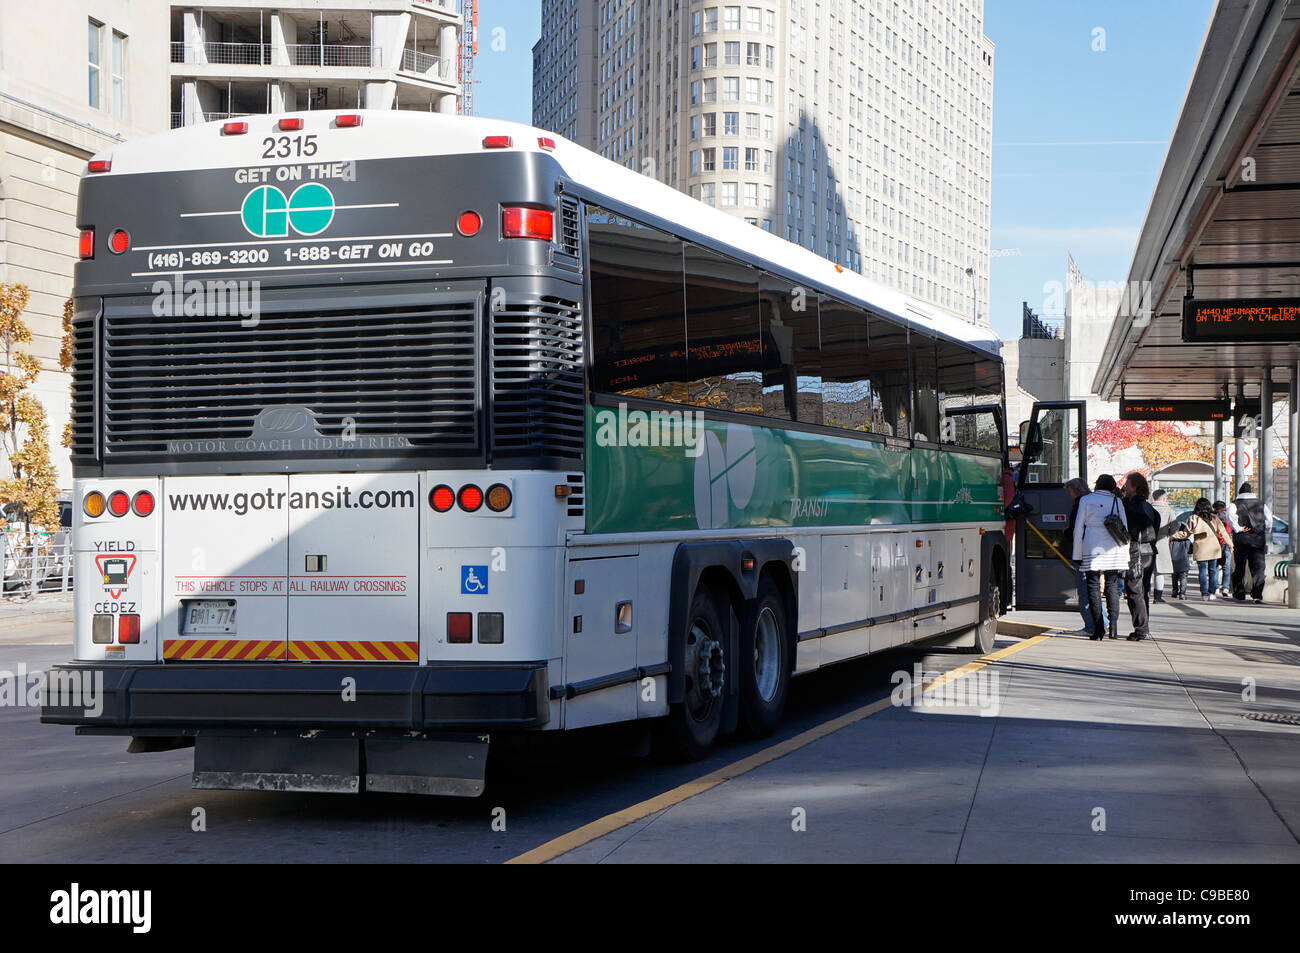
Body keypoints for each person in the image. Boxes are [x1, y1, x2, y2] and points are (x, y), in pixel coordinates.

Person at [1074, 473, 1129, 640]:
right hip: (1114, 548)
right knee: (1112, 586)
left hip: (1092, 546)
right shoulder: (1117, 501)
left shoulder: (1085, 500)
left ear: (1097, 485)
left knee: (1093, 587)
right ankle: (1113, 628)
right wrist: (1125, 555)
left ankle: (1098, 629)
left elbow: (1078, 529)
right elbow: (1124, 528)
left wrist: (1077, 553)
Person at [1121, 472, 1160, 641]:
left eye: (1127, 485)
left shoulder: (1130, 506)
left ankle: (1141, 628)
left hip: (1136, 551)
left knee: (1134, 589)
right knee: (1142, 590)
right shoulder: (1149, 507)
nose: (1125, 488)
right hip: (1149, 551)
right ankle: (1144, 625)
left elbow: (1132, 526)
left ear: (1135, 487)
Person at [1062, 476, 1102, 636]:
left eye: (1069, 491)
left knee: (1084, 591)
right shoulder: (1092, 502)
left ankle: (1090, 626)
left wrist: (1066, 533)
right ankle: (1102, 621)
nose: (1068, 495)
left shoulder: (1080, 504)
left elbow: (1075, 530)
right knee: (1093, 590)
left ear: (1075, 490)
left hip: (1082, 553)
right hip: (1094, 551)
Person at [1172, 498, 1227, 600]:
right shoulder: (1214, 518)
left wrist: (1172, 536)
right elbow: (1223, 533)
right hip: (1213, 548)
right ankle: (1212, 593)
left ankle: (1204, 594)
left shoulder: (1193, 518)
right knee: (1212, 571)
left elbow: (1185, 534)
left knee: (1202, 570)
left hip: (1201, 548)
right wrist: (1230, 545)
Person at [1228, 482, 1271, 603]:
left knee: (1240, 566)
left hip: (1241, 539)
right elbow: (1269, 519)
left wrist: (1239, 529)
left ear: (1239, 493)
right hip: (1257, 539)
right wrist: (1264, 529)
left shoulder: (1234, 504)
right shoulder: (1261, 504)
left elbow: (1231, 519)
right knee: (1258, 567)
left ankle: (1239, 593)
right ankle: (1257, 595)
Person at [1151, 489, 1176, 602]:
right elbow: (1175, 525)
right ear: (1164, 498)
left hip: (1147, 540)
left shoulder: (1148, 507)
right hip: (1162, 540)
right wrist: (1169, 534)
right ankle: (1158, 596)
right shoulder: (1168, 510)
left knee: (1147, 569)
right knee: (1159, 571)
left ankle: (1145, 593)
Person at [1213, 500, 1236, 598]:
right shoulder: (1228, 517)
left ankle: (1216, 587)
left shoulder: (1213, 517)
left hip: (1215, 543)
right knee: (1226, 566)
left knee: (1215, 566)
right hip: (1226, 543)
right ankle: (1225, 588)